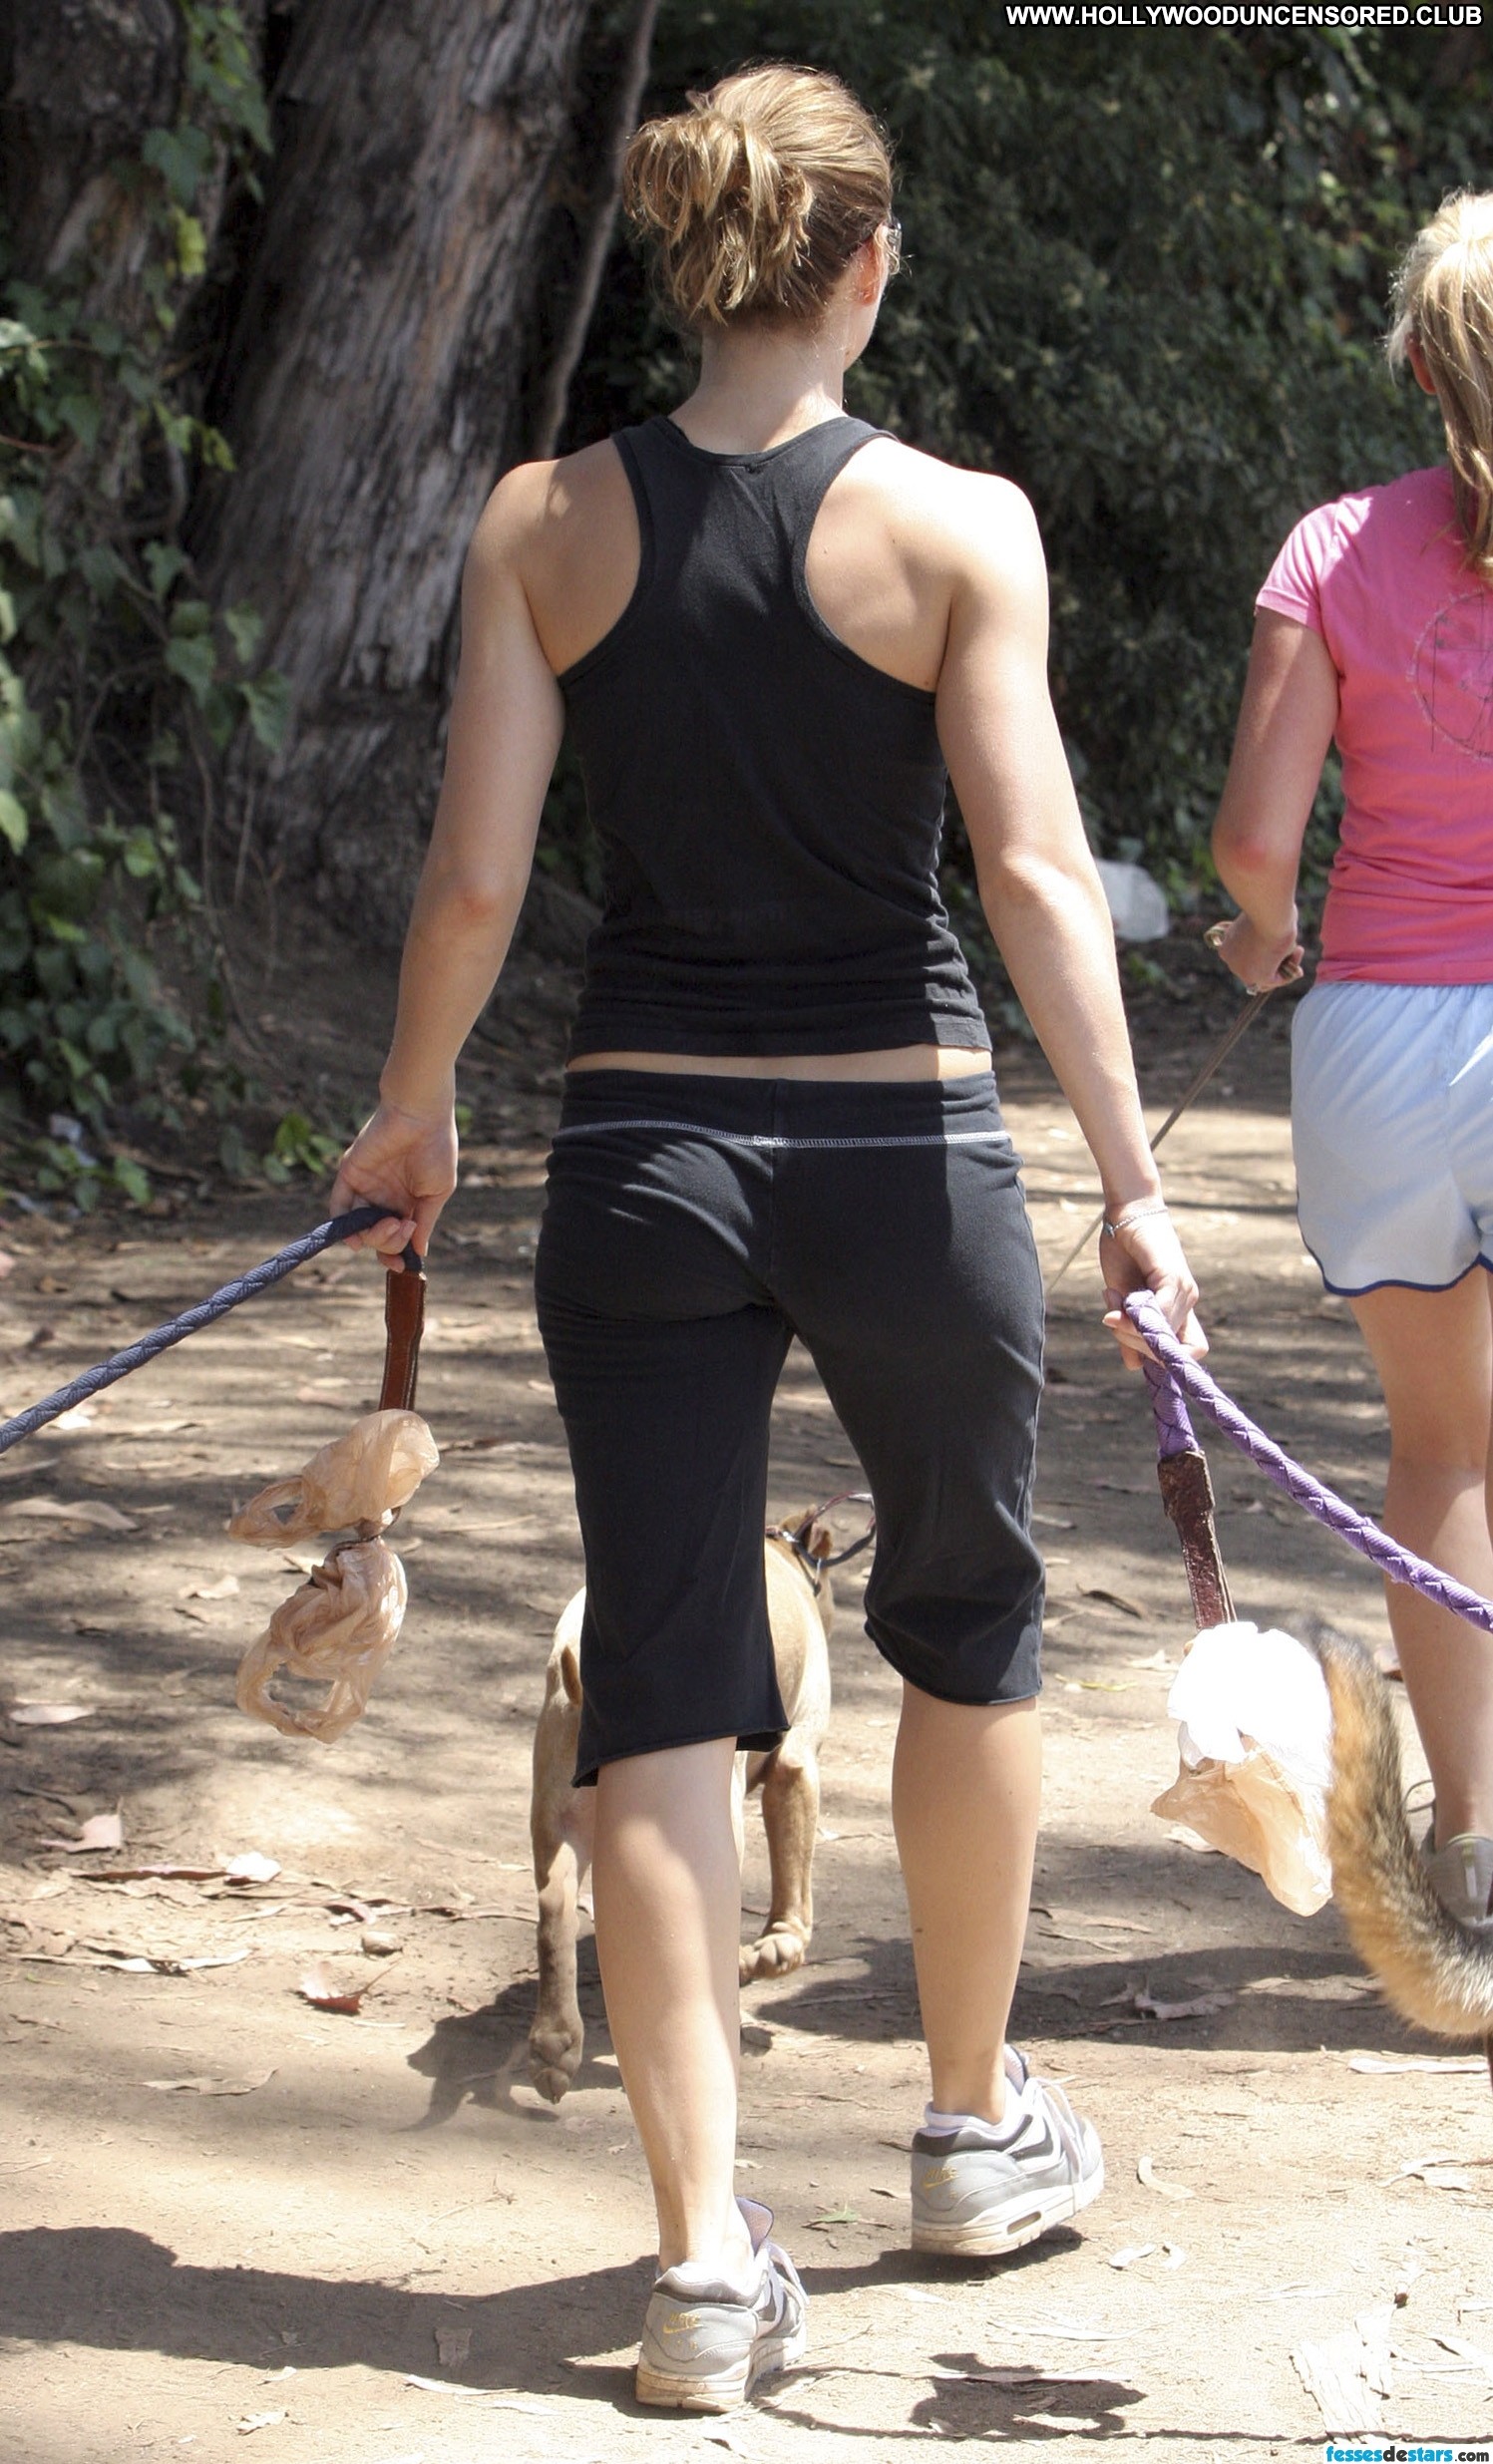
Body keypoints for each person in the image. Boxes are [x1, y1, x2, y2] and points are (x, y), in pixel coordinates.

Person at [331, 63, 1203, 2413]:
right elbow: (1030, 873)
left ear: (684, 255)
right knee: (967, 1630)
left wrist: (411, 1109)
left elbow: (478, 880)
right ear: (868, 264)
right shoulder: (958, 529)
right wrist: (1128, 1184)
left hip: (642, 1160)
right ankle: (964, 2134)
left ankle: (701, 2264)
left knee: (664, 1689)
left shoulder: (541, 525)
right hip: (904, 1154)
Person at [1211, 189, 1493, 1936]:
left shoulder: (1330, 550)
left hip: (1381, 1030)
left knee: (1443, 1452)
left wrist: (1263, 935)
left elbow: (1256, 841)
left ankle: (1474, 1846)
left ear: (1416, 366)